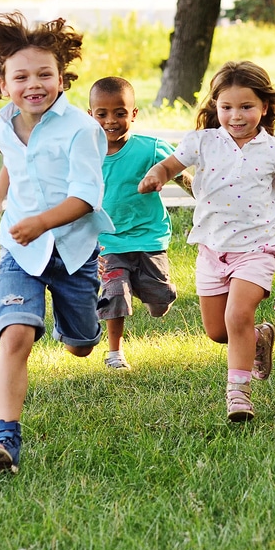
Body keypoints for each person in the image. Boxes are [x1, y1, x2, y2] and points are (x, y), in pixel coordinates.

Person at [0, 13, 113, 474]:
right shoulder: (4, 122)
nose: (34, 84)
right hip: (20, 251)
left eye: (45, 74)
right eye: (22, 76)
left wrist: (40, 222)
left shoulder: (81, 129)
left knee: (82, 345)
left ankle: (78, 327)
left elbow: (87, 198)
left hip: (72, 250)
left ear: (62, 77)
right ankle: (6, 433)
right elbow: (16, 161)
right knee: (15, 337)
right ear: (2, 81)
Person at [139, 61, 275, 422]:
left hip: (257, 249)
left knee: (237, 314)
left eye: (246, 107)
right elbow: (170, 166)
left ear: (265, 106)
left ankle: (238, 396)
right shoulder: (202, 142)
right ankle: (258, 338)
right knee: (218, 332)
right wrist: (156, 174)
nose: (236, 115)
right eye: (227, 107)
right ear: (215, 106)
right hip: (212, 249)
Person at [88, 76, 179, 370]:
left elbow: (181, 172)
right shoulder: (85, 155)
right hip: (109, 241)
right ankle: (115, 353)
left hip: (148, 237)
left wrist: (203, 198)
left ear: (134, 114)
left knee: (158, 304)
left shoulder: (150, 149)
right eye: (102, 114)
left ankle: (160, 292)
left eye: (120, 113)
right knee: (114, 293)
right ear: (91, 115)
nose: (110, 121)